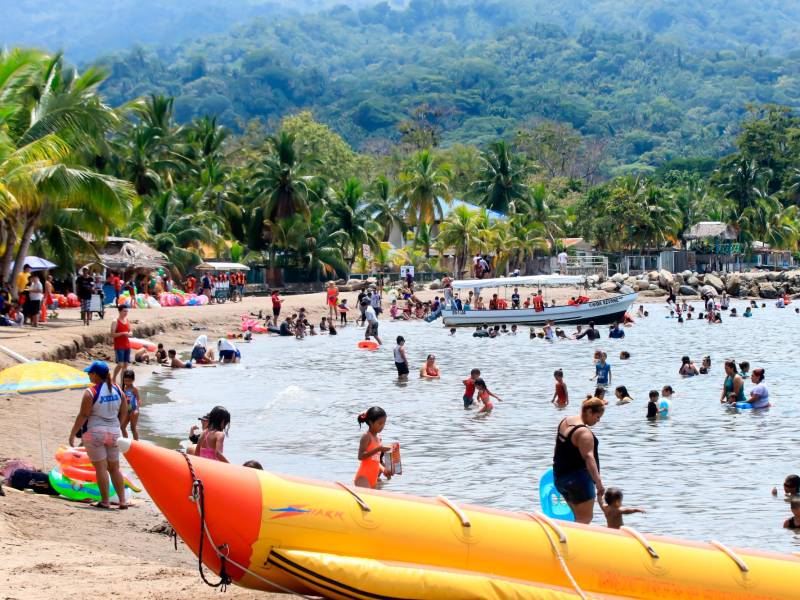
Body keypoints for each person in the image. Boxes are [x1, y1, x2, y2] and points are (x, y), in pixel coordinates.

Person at [68, 361, 128, 509]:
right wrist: (118, 426)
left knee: (101, 468)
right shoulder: (117, 389)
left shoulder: (91, 392)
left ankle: (105, 501)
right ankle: (122, 501)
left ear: (95, 375)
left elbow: (83, 415)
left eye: (90, 373)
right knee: (115, 468)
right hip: (114, 432)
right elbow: (124, 410)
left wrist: (73, 433)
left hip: (95, 433)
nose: (88, 375)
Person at [553, 397, 605, 524]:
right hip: (579, 482)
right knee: (584, 519)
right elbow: (589, 458)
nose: (598, 420)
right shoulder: (584, 433)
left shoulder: (565, 421)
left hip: (561, 479)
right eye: (597, 417)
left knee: (577, 518)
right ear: (589, 411)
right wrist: (599, 483)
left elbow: (557, 449)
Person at [355, 407, 392, 488]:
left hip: (374, 479)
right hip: (363, 478)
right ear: (371, 422)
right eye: (380, 423)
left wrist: (384, 470)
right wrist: (378, 449)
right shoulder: (366, 436)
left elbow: (375, 461)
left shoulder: (379, 438)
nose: (382, 426)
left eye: (384, 423)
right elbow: (360, 456)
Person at [111, 306, 131, 385]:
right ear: (119, 311)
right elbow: (112, 334)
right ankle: (114, 378)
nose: (126, 313)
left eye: (127, 311)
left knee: (125, 365)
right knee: (120, 364)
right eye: (124, 311)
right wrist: (123, 333)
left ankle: (122, 383)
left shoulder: (127, 320)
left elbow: (130, 331)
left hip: (127, 345)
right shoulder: (115, 321)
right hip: (119, 346)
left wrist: (130, 333)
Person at [121, 370, 141, 441]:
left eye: (129, 381)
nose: (127, 382)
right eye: (125, 381)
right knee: (122, 427)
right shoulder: (123, 388)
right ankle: (126, 442)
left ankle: (136, 443)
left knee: (133, 428)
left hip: (133, 411)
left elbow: (139, 400)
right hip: (126, 411)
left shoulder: (134, 389)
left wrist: (137, 409)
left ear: (133, 380)